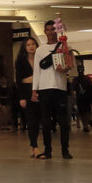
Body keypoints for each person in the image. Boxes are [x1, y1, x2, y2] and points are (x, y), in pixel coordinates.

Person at [33, 19, 74, 160]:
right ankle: (48, 150)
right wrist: (34, 90)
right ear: (45, 32)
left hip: (60, 87)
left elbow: (69, 65)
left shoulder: (64, 47)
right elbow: (37, 71)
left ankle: (65, 149)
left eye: (52, 29)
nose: (50, 32)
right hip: (44, 88)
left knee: (63, 122)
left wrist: (66, 67)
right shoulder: (40, 50)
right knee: (45, 122)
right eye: (48, 30)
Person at [15, 36, 40, 157]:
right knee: (32, 121)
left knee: (40, 119)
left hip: (40, 91)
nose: (31, 47)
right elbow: (19, 80)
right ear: (25, 47)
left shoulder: (40, 59)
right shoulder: (20, 60)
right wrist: (21, 98)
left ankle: (34, 145)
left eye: (33, 44)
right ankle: (35, 146)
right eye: (28, 45)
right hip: (26, 92)